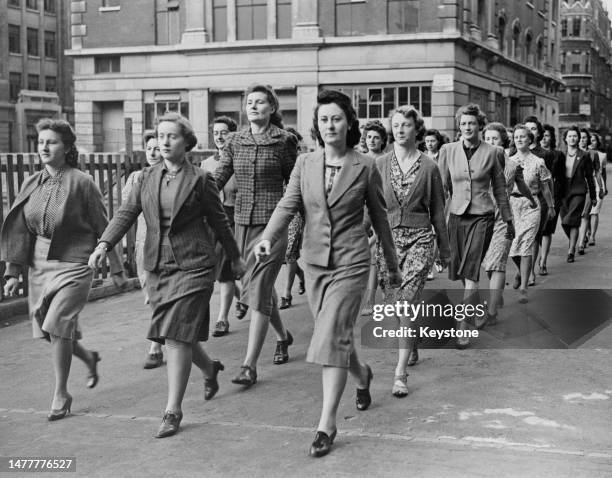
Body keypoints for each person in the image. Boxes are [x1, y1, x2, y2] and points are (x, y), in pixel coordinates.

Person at [254, 89, 400, 457]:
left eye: (336, 118)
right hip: (315, 262)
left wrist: (392, 265)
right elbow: (288, 205)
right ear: (316, 126)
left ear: (349, 122)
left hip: (352, 263)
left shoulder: (365, 165)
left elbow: (381, 219)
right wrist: (267, 238)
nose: (330, 125)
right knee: (332, 337)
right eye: (323, 119)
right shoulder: (305, 163)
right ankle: (362, 376)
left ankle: (326, 423)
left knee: (332, 334)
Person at [89, 113, 245, 438]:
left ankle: (172, 410)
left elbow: (219, 223)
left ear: (186, 142)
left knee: (174, 335)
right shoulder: (146, 177)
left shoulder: (202, 179)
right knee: (178, 333)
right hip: (158, 265)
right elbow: (126, 213)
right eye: (160, 135)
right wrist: (105, 243)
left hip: (195, 264)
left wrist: (235, 257)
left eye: (171, 136)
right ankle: (210, 368)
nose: (164, 141)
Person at [1, 118, 126, 420]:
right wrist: (13, 272)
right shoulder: (32, 182)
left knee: (56, 324)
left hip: (76, 260)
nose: (44, 146)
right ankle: (88, 357)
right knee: (50, 330)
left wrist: (117, 266)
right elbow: (20, 229)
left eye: (52, 141)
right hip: (40, 264)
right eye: (41, 141)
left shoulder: (82, 182)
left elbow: (104, 225)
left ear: (67, 147)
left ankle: (61, 393)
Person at [214, 84, 298, 386]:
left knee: (260, 289)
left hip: (274, 226)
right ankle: (283, 336)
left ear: (272, 108)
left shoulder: (284, 141)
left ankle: (249, 365)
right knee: (260, 290)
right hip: (242, 225)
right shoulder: (235, 140)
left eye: (260, 102)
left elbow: (296, 183)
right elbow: (220, 176)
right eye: (249, 102)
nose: (253, 106)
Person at [375, 106, 449, 397]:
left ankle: (400, 373)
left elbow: (439, 211)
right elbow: (371, 205)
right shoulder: (379, 164)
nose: (400, 129)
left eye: (406, 125)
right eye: (396, 125)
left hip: (420, 238)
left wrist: (445, 250)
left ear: (416, 129)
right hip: (388, 240)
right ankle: (412, 340)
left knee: (406, 301)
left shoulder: (429, 167)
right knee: (394, 304)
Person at [438, 104, 514, 348]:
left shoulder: (494, 152)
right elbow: (442, 187)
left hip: (483, 216)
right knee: (460, 271)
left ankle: (464, 326)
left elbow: (500, 188)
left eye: (471, 123)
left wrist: (508, 217)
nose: (467, 127)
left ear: (480, 125)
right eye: (463, 123)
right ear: (458, 126)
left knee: (471, 271)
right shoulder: (447, 150)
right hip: (457, 216)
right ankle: (475, 306)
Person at [481, 123, 535, 321]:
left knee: (497, 263)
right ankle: (497, 296)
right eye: (487, 138)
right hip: (482, 218)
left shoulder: (512, 165)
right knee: (488, 265)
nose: (491, 142)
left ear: (504, 141)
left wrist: (532, 199)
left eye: (495, 138)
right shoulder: (477, 163)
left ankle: (492, 312)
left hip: (504, 219)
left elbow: (521, 185)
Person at [123, 132, 165, 368]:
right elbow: (127, 210)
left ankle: (156, 347)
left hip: (167, 244)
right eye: (149, 148)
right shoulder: (136, 177)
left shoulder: (172, 177)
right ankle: (163, 336)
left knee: (160, 295)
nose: (152, 152)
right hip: (144, 243)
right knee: (151, 296)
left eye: (157, 148)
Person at [200, 116, 241, 337]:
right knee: (216, 269)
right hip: (213, 220)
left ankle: (222, 318)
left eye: (224, 132)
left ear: (233, 134)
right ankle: (242, 297)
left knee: (225, 270)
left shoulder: (240, 160)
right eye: (216, 133)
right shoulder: (206, 164)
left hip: (235, 218)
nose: (219, 137)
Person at [507, 125, 554, 304]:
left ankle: (524, 287)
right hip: (513, 206)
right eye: (516, 137)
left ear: (530, 140)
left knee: (526, 246)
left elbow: (545, 187)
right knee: (513, 249)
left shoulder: (538, 162)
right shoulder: (507, 160)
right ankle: (521, 272)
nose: (519, 139)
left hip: (532, 205)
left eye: (522, 137)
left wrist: (551, 206)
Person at [360, 120, 388, 315]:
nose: (372, 140)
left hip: (382, 211)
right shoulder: (358, 159)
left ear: (382, 140)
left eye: (376, 137)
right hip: (361, 212)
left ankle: (372, 300)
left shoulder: (386, 160)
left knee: (377, 258)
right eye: (369, 137)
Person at [523, 116, 554, 286]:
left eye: (533, 128)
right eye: (526, 128)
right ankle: (524, 269)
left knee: (534, 236)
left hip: (539, 199)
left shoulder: (545, 155)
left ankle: (530, 271)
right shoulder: (514, 152)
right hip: (519, 201)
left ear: (539, 132)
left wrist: (551, 204)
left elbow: (548, 181)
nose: (529, 131)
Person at [558, 126, 596, 263]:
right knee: (564, 222)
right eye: (570, 136)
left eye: (575, 136)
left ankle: (571, 250)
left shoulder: (584, 155)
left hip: (579, 190)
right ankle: (575, 241)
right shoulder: (560, 154)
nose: (572, 138)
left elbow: (589, 177)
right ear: (565, 139)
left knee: (572, 220)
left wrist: (593, 196)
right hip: (563, 191)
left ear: (578, 138)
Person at [279, 127, 306, 310]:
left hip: (297, 212)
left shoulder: (303, 165)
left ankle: (286, 293)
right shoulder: (276, 163)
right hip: (278, 212)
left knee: (289, 252)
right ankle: (302, 276)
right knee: (286, 255)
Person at [537, 124, 565, 275]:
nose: (544, 138)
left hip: (552, 197)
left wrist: (557, 199)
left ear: (552, 138)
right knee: (536, 233)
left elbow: (560, 178)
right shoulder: (532, 154)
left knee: (547, 231)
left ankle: (543, 262)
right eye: (543, 135)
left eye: (548, 135)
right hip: (535, 197)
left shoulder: (557, 155)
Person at [423, 128, 446, 280]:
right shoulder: (421, 157)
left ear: (438, 142)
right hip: (424, 199)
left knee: (436, 233)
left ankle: (434, 261)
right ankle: (431, 264)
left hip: (441, 199)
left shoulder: (443, 157)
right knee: (427, 234)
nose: (430, 144)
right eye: (427, 141)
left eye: (433, 141)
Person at [577, 129, 605, 253]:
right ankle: (584, 234)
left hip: (590, 186)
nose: (582, 140)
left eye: (584, 138)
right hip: (575, 187)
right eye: (580, 137)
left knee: (586, 214)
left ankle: (582, 242)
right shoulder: (570, 153)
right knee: (579, 216)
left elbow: (598, 173)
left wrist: (602, 188)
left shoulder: (594, 153)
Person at [587, 132, 607, 246]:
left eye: (594, 140)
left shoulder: (602, 155)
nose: (592, 142)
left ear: (597, 142)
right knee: (587, 213)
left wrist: (605, 187)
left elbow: (602, 172)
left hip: (598, 184)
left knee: (595, 212)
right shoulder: (583, 153)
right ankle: (587, 231)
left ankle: (592, 236)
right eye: (591, 140)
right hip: (586, 184)